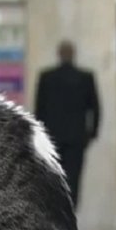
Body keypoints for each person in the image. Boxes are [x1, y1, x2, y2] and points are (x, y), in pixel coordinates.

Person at [34, 41, 100, 209]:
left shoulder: (47, 78)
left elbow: (39, 109)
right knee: (74, 177)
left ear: (59, 54)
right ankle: (71, 210)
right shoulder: (85, 78)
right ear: (73, 55)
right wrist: (92, 133)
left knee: (54, 176)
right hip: (76, 137)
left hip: (52, 137)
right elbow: (95, 108)